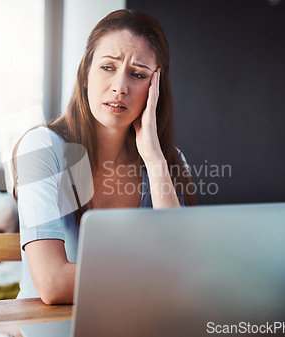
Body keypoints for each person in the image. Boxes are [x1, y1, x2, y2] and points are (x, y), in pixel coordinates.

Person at [11, 9, 197, 305]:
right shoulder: (42, 149)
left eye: (137, 74)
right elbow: (53, 283)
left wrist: (154, 159)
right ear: (85, 74)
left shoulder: (168, 161)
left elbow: (185, 267)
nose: (120, 87)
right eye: (108, 67)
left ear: (155, 89)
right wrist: (160, 271)